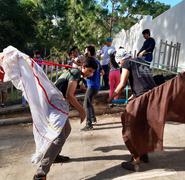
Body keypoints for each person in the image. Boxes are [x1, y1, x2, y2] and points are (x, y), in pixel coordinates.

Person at [108, 48, 156, 171]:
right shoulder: (141, 60)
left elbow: (123, 83)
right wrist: (133, 95)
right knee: (143, 126)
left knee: (131, 127)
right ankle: (144, 154)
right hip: (153, 95)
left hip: (143, 97)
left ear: (121, 59)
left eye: (119, 63)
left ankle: (136, 161)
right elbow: (143, 81)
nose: (119, 65)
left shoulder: (127, 63)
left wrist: (112, 96)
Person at [81, 45, 103, 130]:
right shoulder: (96, 61)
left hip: (92, 86)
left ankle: (89, 124)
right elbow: (102, 72)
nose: (85, 53)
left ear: (90, 52)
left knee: (86, 103)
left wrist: (83, 75)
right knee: (89, 102)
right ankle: (93, 119)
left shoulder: (89, 62)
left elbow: (88, 74)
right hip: (96, 86)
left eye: (86, 51)